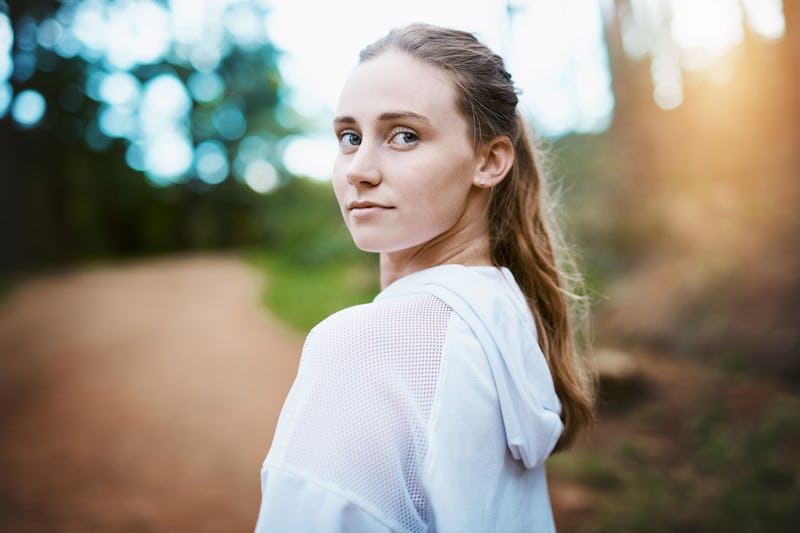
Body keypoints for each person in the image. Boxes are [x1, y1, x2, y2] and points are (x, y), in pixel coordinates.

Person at [255, 23, 595, 532]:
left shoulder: (369, 344)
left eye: (404, 136)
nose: (358, 169)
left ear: (489, 160)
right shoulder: (506, 313)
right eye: (349, 137)